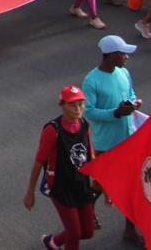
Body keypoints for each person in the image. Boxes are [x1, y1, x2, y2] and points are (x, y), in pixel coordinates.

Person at [81, 35, 144, 247]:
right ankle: (87, 209)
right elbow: (89, 111)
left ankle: (129, 229)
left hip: (128, 137)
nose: (126, 57)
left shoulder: (124, 73)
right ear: (111, 55)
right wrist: (116, 113)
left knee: (131, 185)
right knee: (102, 183)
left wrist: (134, 103)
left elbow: (131, 93)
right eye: (123, 53)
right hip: (106, 143)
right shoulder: (92, 80)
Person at [23, 86, 97, 250]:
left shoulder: (84, 124)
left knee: (87, 231)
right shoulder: (53, 129)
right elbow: (39, 161)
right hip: (61, 187)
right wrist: (30, 192)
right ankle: (57, 241)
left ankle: (54, 241)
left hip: (81, 185)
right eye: (72, 105)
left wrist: (101, 183)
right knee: (74, 233)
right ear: (62, 105)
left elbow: (90, 155)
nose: (78, 109)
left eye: (80, 104)